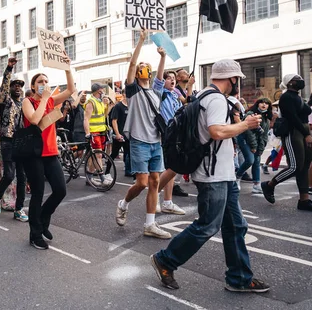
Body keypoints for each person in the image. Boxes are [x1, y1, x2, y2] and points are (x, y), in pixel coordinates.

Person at [151, 59, 270, 294]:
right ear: (232, 79)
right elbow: (216, 131)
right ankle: (166, 259)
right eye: (237, 80)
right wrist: (245, 125)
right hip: (213, 174)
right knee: (207, 226)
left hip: (222, 173)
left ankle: (239, 278)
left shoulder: (204, 95)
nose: (238, 84)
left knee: (235, 226)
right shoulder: (215, 99)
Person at [115, 31, 172, 239]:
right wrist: (140, 40)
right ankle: (123, 204)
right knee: (141, 183)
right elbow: (131, 65)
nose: (143, 69)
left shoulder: (156, 91)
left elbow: (160, 76)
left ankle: (150, 224)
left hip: (156, 142)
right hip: (139, 142)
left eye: (145, 67)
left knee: (155, 181)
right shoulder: (133, 91)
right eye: (141, 68)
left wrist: (162, 57)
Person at [22, 59, 76, 250]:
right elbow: (35, 119)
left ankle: (43, 218)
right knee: (37, 194)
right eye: (40, 81)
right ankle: (35, 234)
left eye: (46, 81)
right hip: (34, 155)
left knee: (60, 190)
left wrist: (67, 68)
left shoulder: (52, 100)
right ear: (33, 86)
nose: (44, 83)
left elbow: (70, 89)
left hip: (51, 153)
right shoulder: (27, 102)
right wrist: (44, 98)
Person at [262, 74, 312, 211]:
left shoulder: (296, 97)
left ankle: (304, 200)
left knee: (304, 166)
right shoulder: (286, 97)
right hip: (293, 132)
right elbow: (293, 117)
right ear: (289, 83)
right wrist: (307, 134)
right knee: (295, 166)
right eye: (297, 79)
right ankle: (269, 185)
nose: (301, 81)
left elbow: (306, 110)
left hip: (301, 131)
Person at [0, 57, 29, 222]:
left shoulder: (24, 104)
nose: (18, 87)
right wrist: (8, 69)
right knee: (9, 174)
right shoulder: (5, 101)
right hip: (8, 141)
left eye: (20, 85)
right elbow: (4, 87)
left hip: (21, 143)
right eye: (15, 85)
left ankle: (18, 209)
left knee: (22, 177)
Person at [153, 70, 187, 215]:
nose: (172, 81)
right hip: (165, 133)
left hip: (176, 133)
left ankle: (168, 202)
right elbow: (158, 81)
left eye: (173, 78)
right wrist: (163, 58)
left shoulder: (175, 95)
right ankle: (154, 197)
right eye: (169, 78)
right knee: (168, 168)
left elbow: (185, 106)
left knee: (173, 168)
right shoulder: (159, 93)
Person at [236, 98, 272, 194]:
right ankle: (237, 177)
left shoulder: (267, 119)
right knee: (250, 160)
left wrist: (260, 149)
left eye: (266, 103)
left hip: (255, 142)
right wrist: (253, 146)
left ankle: (256, 185)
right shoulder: (251, 114)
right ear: (258, 104)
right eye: (262, 103)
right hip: (244, 138)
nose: (264, 105)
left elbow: (264, 136)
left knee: (257, 160)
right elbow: (248, 131)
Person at [83, 83, 112, 184]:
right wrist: (87, 133)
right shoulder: (91, 102)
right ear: (99, 91)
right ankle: (102, 177)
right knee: (98, 155)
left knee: (95, 156)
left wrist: (108, 105)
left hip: (101, 131)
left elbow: (104, 115)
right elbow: (86, 118)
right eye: (102, 89)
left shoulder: (100, 102)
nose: (103, 91)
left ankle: (89, 177)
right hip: (94, 132)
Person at [109, 90, 131, 177]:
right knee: (114, 153)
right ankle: (107, 172)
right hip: (120, 134)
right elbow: (114, 121)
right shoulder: (118, 106)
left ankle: (130, 172)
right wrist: (117, 134)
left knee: (129, 153)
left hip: (128, 134)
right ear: (124, 95)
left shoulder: (131, 106)